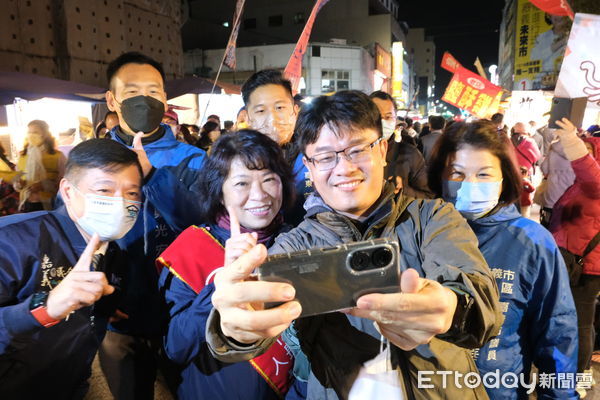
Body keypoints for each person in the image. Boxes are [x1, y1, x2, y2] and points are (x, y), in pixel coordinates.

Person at [206, 91, 503, 399]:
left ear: (382, 149)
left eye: (357, 149)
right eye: (325, 157)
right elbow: (251, 318)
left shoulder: (432, 218)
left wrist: (453, 307)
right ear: (308, 167)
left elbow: (479, 295)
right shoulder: (295, 245)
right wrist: (235, 325)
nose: (344, 168)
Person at [428, 120, 578, 399]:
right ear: (440, 176)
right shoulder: (420, 234)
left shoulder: (532, 242)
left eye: (484, 174)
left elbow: (557, 331)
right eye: (457, 173)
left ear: (504, 179)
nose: (469, 184)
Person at [157, 131, 296, 399]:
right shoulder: (193, 247)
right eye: (242, 184)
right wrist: (220, 286)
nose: (259, 195)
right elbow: (175, 348)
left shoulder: (299, 241)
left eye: (269, 179)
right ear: (219, 193)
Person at [0, 138, 142, 399]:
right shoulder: (12, 241)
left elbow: (89, 330)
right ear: (67, 191)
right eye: (104, 190)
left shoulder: (114, 255)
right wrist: (46, 306)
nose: (120, 203)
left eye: (132, 193)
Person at [100, 51, 206, 399]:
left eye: (153, 91)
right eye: (131, 92)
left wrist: (153, 178)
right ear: (112, 100)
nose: (143, 99)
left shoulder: (193, 159)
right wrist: (95, 297)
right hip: (119, 311)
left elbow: (205, 225)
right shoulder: (92, 159)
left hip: (183, 306)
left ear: (164, 98)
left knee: (187, 389)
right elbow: (71, 233)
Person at [548, 118, 600, 399]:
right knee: (581, 320)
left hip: (586, 263)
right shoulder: (587, 183)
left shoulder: (595, 182)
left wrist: (570, 139)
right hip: (578, 258)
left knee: (581, 321)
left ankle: (578, 375)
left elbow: (587, 168)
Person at [369, 91, 432, 198]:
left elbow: (428, 196)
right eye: (378, 116)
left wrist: (403, 190)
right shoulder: (352, 153)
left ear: (395, 119)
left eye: (388, 117)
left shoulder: (410, 153)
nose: (383, 121)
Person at [14, 120, 66, 212]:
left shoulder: (57, 156)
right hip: (26, 203)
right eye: (29, 132)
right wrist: (19, 184)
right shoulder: (22, 156)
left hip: (50, 204)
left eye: (35, 132)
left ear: (45, 134)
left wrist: (44, 185)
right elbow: (16, 181)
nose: (31, 135)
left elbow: (66, 181)